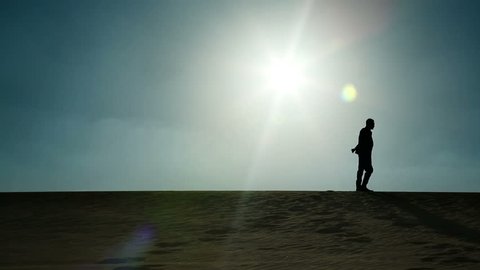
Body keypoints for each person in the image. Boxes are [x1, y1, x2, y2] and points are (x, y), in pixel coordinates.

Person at [351, 118, 375, 192]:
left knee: (364, 170)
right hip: (364, 154)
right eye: (373, 123)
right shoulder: (364, 131)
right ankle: (361, 187)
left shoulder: (368, 132)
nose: (374, 125)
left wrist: (355, 148)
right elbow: (361, 142)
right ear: (369, 124)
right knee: (365, 170)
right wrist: (356, 148)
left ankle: (361, 187)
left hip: (367, 154)